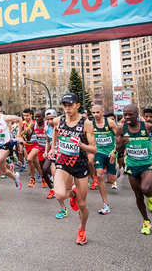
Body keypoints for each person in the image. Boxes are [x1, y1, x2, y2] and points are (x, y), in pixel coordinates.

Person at [48, 93, 97, 245]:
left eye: (70, 105)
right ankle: (72, 194)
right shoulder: (58, 120)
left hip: (80, 164)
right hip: (62, 162)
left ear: (77, 105)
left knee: (82, 204)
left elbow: (94, 149)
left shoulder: (86, 123)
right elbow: (55, 131)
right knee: (59, 194)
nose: (67, 108)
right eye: (65, 105)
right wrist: (53, 148)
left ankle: (82, 229)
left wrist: (80, 145)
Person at [115, 104, 152, 235]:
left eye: (130, 114)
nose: (127, 117)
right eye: (125, 114)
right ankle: (146, 221)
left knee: (146, 189)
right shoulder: (120, 129)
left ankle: (151, 197)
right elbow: (118, 149)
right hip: (131, 165)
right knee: (138, 195)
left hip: (147, 164)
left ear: (137, 115)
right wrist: (122, 144)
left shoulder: (147, 127)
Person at [0, 99, 22, 206]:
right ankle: (15, 178)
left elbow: (20, 119)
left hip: (5, 146)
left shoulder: (5, 118)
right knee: (4, 171)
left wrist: (19, 135)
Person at [90, 105, 119, 215]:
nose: (95, 115)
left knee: (111, 180)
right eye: (93, 113)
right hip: (99, 153)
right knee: (100, 175)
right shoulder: (90, 124)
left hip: (111, 153)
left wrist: (115, 151)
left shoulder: (110, 123)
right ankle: (105, 204)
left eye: (97, 112)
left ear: (102, 111)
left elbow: (119, 138)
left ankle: (117, 172)